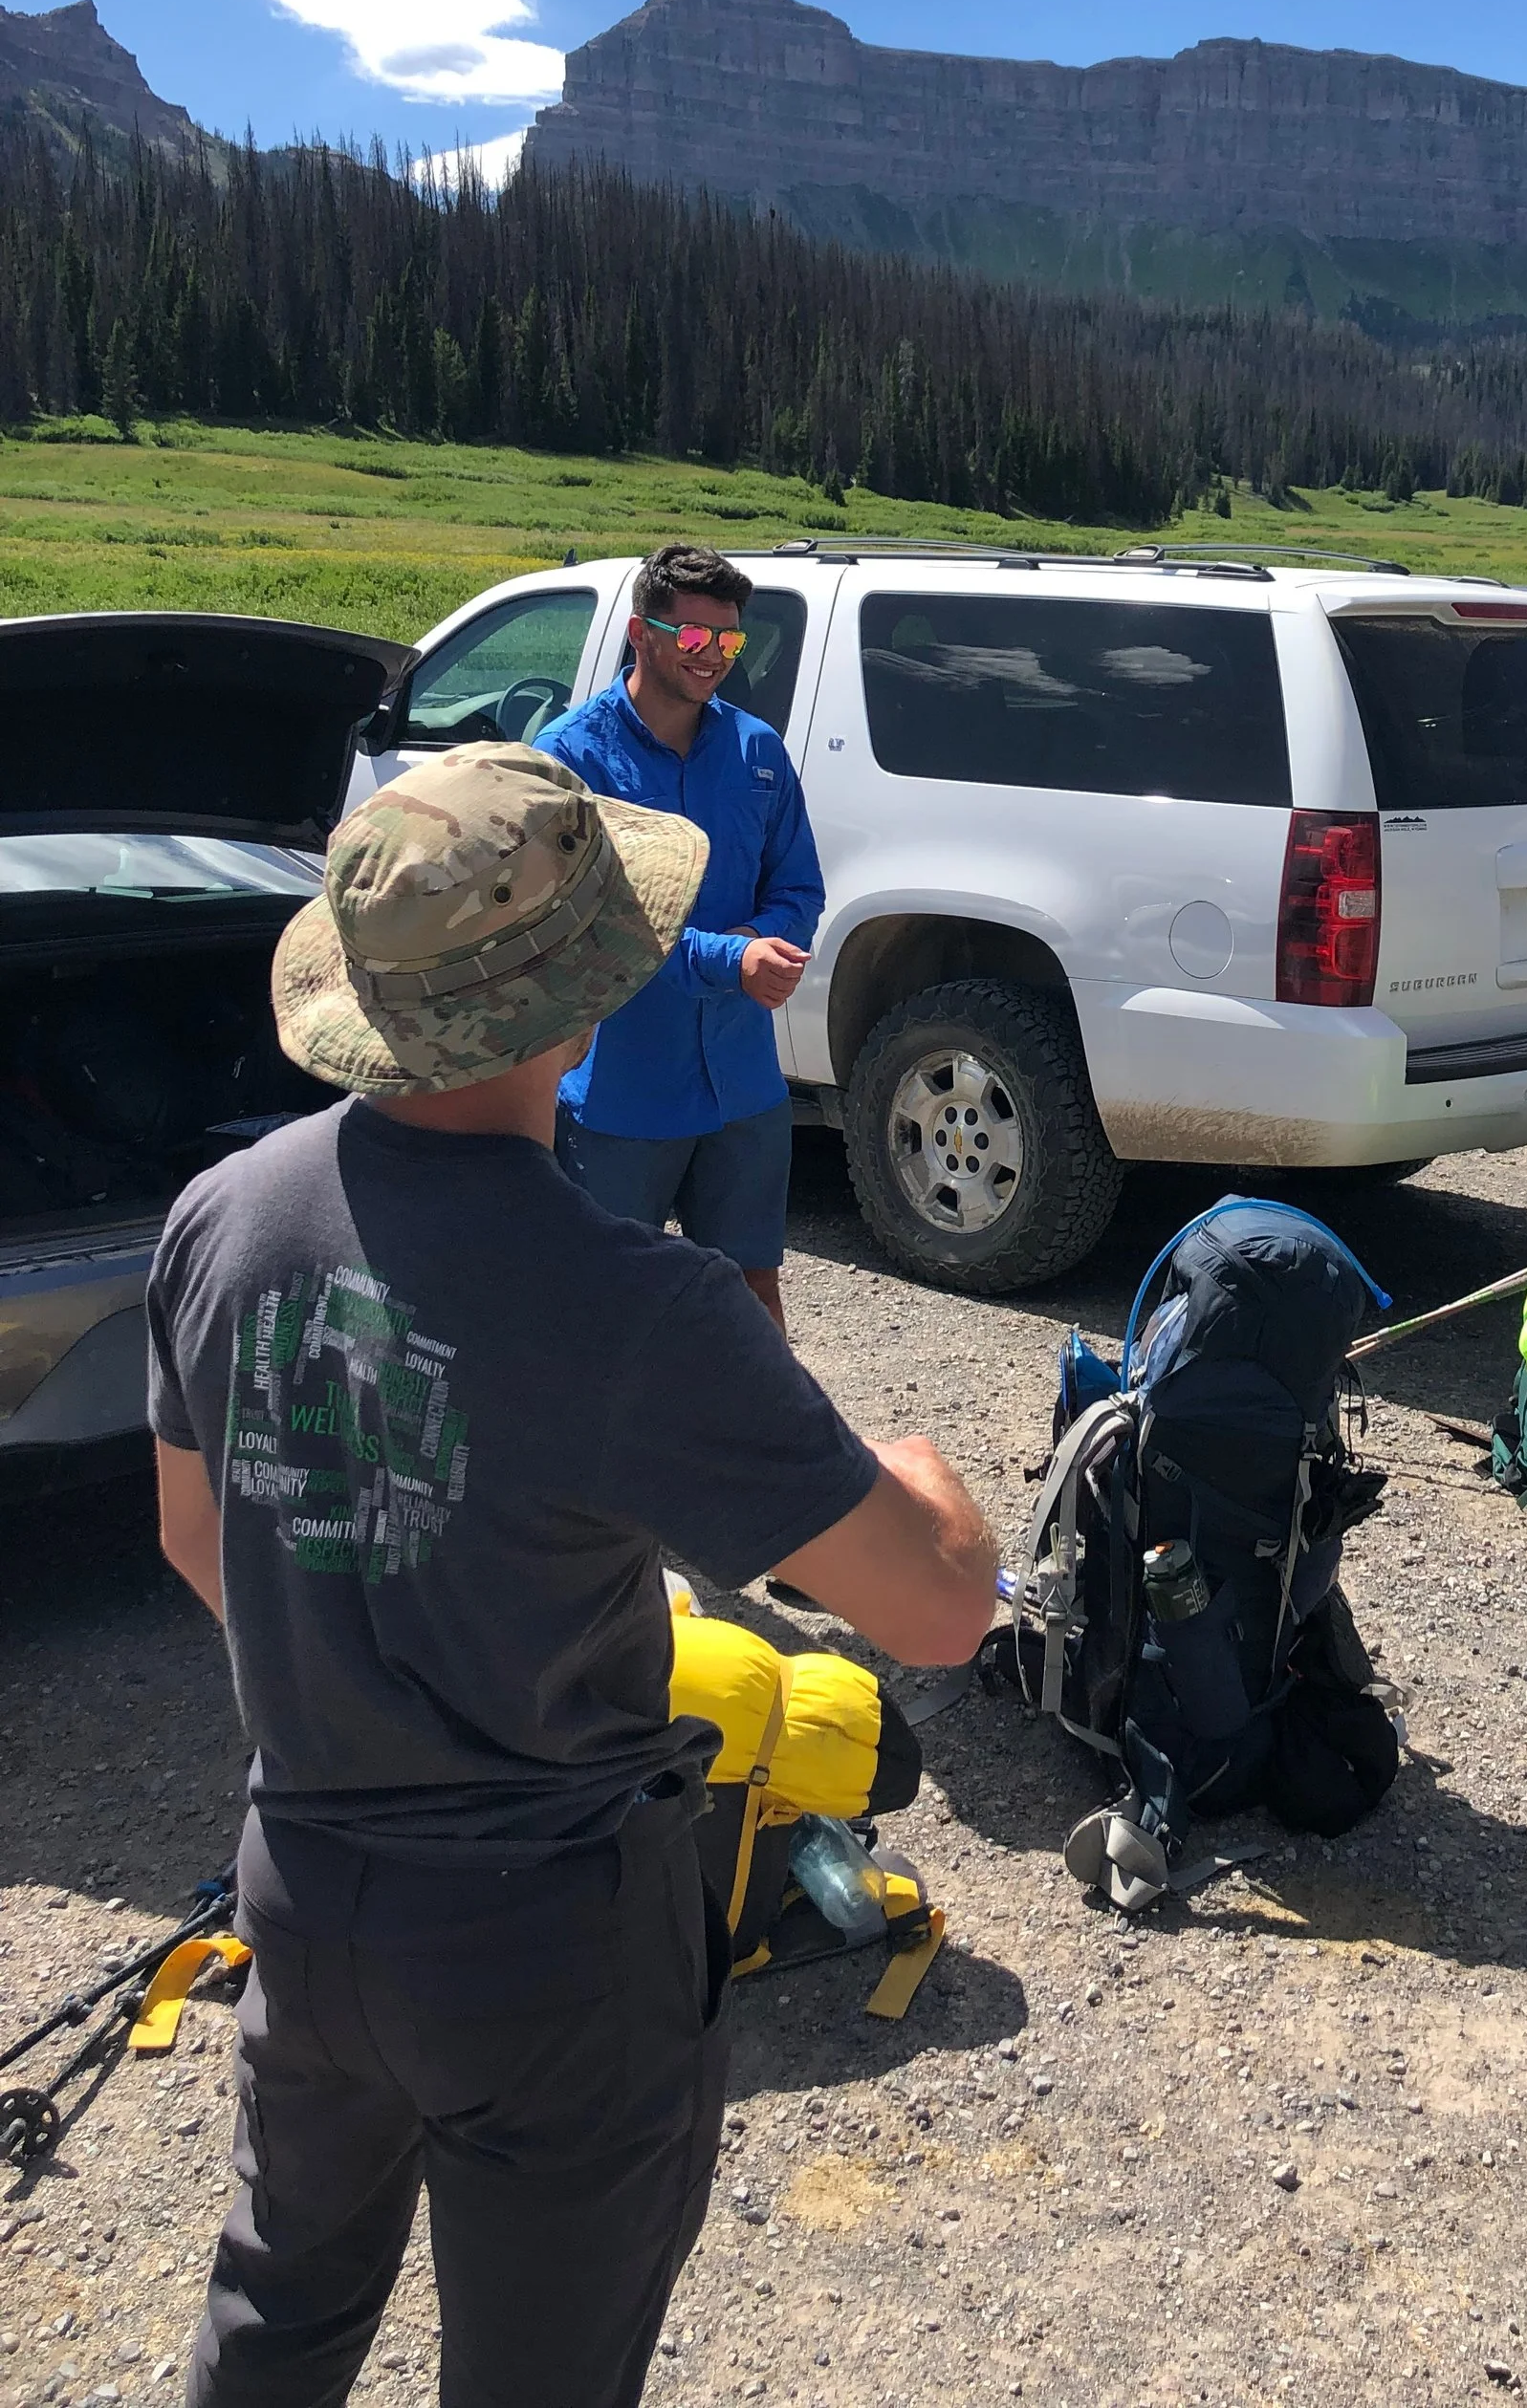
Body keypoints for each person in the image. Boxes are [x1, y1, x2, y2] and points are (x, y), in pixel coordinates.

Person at [147, 743, 996, 2408]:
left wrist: (377, 1645)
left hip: (305, 1886)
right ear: (585, 1000)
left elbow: (199, 1537)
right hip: (548, 1937)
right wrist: (925, 1475)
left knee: (278, 2309)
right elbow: (938, 1608)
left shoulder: (220, 1215)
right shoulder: (637, 1306)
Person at [537, 543, 823, 1334]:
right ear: (641, 633)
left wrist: (765, 938)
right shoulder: (569, 757)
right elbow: (601, 924)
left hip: (743, 1086)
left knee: (750, 1298)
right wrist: (735, 958)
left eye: (731, 642)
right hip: (622, 1089)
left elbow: (800, 886)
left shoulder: (756, 750)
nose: (715, 658)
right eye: (696, 638)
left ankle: (758, 1451)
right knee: (602, 1304)